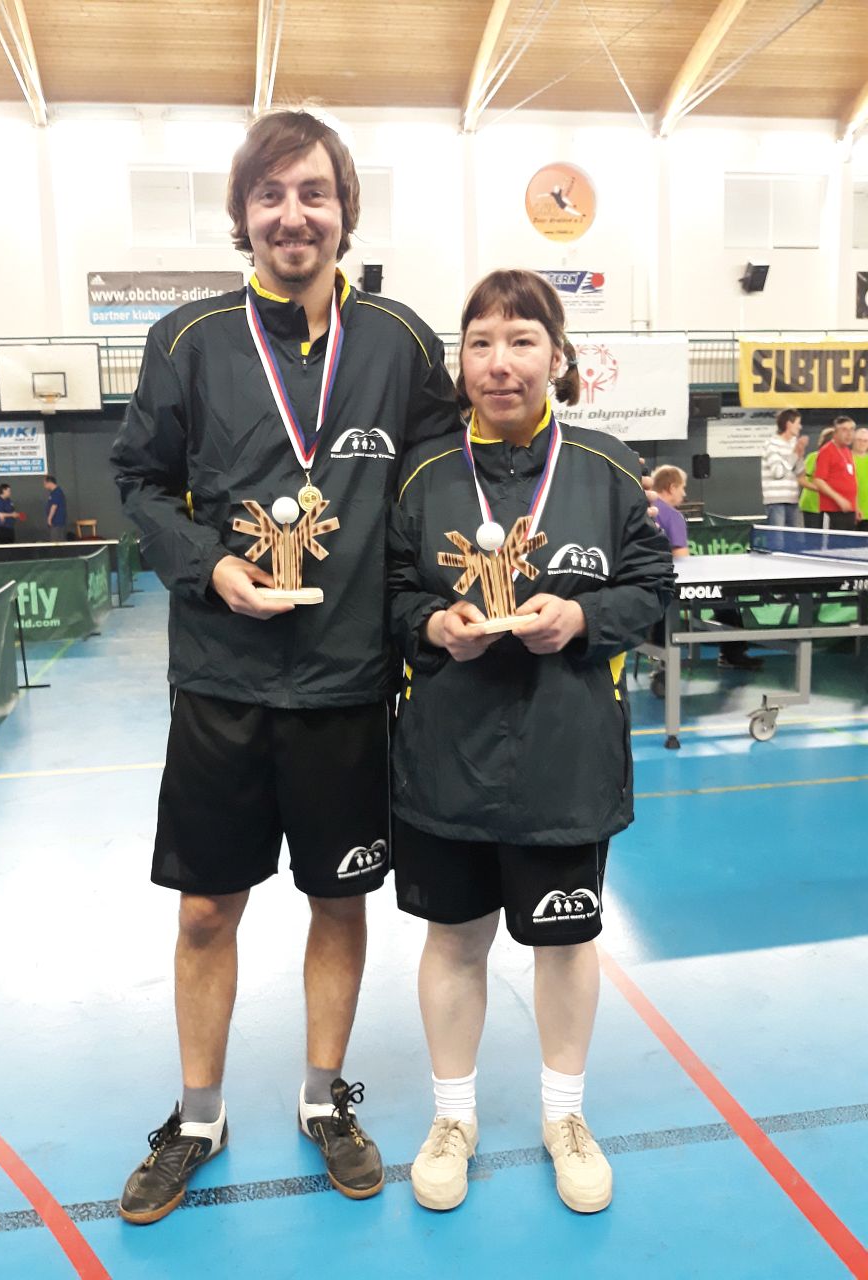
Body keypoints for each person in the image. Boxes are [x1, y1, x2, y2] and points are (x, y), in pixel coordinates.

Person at [110, 108, 460, 1224]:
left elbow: (445, 487)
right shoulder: (188, 340)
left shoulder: (401, 344)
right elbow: (138, 481)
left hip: (350, 685)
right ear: (243, 214)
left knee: (337, 898)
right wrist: (210, 567)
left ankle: (323, 1097)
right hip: (222, 682)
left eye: (314, 192)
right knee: (205, 911)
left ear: (346, 208)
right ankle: (198, 1116)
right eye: (270, 195)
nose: (293, 214)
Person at [386, 269, 675, 1216]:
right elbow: (389, 595)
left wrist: (583, 619)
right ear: (460, 361)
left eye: (521, 341)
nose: (500, 363)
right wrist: (435, 625)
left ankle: (564, 1118)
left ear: (558, 356)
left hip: (565, 756)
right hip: (448, 755)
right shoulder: (423, 475)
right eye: (481, 342)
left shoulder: (609, 468)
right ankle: (452, 1120)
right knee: (454, 940)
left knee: (565, 942)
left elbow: (653, 590)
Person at [649, 464, 762, 672]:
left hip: (643, 582)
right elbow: (682, 561)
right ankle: (732, 654)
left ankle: (656, 654)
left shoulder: (640, 509)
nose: (684, 493)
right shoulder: (673, 516)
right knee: (724, 597)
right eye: (682, 487)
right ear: (671, 487)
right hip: (668, 586)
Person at [760, 409, 807, 526]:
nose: (800, 427)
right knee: (778, 537)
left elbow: (799, 472)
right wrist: (795, 454)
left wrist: (800, 454)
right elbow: (778, 472)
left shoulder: (794, 444)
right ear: (789, 424)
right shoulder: (771, 444)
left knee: (796, 536)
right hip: (776, 502)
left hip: (793, 500)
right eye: (798, 423)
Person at [813, 416, 858, 531]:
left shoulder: (847, 451)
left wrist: (856, 507)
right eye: (844, 430)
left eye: (852, 429)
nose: (849, 434)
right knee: (833, 542)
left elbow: (851, 481)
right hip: (832, 511)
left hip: (848, 510)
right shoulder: (826, 451)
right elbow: (818, 480)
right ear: (835, 433)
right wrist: (839, 499)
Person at [799, 427, 835, 529]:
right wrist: (821, 489)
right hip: (812, 505)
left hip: (831, 506)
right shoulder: (814, 457)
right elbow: (802, 480)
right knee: (813, 536)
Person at [852, 424, 868, 531]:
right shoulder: (845, 458)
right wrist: (855, 507)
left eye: (865, 441)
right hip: (850, 512)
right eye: (859, 440)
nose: (862, 443)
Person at [44, 475, 67, 541]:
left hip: (57, 522)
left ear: (49, 482)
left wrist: (49, 518)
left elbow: (54, 506)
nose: (44, 486)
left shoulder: (57, 492)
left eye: (45, 484)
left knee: (56, 541)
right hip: (56, 522)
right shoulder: (53, 492)